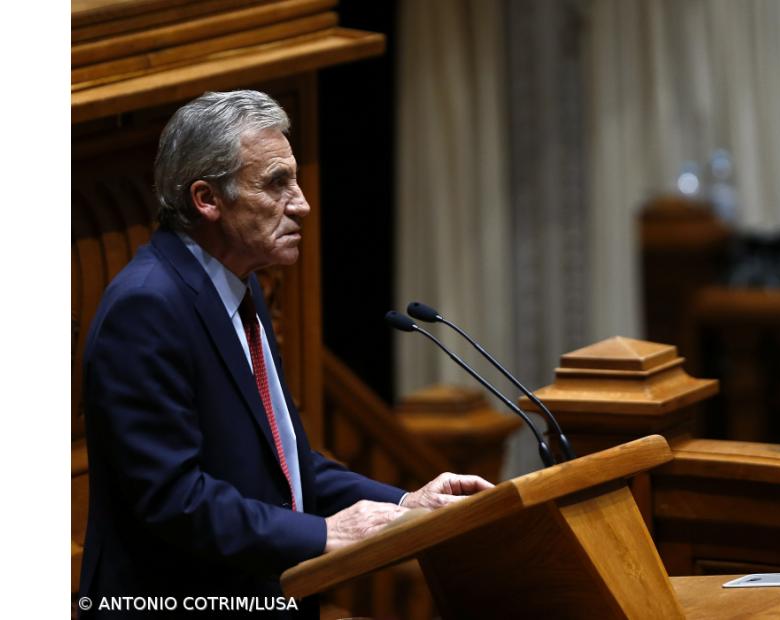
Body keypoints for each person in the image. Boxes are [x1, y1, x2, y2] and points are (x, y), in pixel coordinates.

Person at [78, 90, 493, 618]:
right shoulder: (147, 308)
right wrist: (321, 533)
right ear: (207, 199)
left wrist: (405, 504)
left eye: (293, 180)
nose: (301, 202)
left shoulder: (239, 287)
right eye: (276, 183)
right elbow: (173, 497)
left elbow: (286, 469)